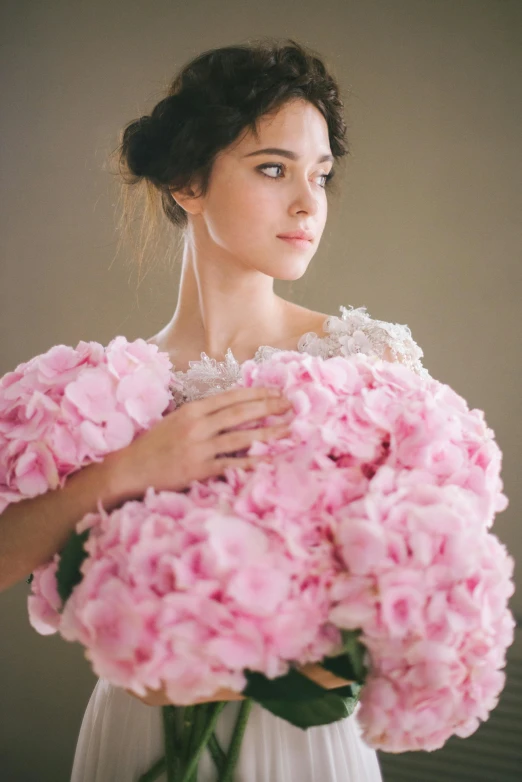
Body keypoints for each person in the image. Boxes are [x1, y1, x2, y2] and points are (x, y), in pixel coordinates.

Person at [0, 37, 428, 781]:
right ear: (185, 183)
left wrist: (242, 667)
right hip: (135, 727)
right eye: (273, 169)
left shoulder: (368, 364)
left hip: (298, 743)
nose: (308, 204)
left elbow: (414, 598)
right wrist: (128, 469)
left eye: (320, 176)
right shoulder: (99, 392)